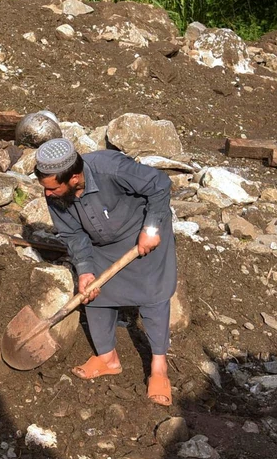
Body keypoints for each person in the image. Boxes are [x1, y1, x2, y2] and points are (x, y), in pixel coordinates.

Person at [34, 138, 177, 406]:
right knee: (93, 294)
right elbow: (73, 234)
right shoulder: (55, 195)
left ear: (74, 177)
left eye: (53, 188)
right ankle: (107, 358)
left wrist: (153, 228)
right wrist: (85, 269)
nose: (48, 194)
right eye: (45, 188)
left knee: (154, 296)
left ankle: (159, 369)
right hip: (100, 246)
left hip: (143, 235)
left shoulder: (110, 168)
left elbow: (160, 185)